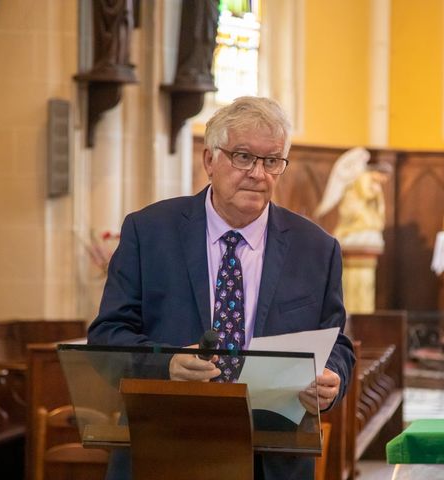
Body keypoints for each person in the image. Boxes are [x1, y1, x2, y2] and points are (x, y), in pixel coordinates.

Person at [88, 96, 355, 479]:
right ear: (209, 160)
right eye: (243, 156)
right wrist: (167, 364)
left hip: (271, 455)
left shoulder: (316, 248)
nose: (258, 174)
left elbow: (336, 343)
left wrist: (332, 378)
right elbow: (106, 338)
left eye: (272, 160)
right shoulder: (148, 233)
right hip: (164, 445)